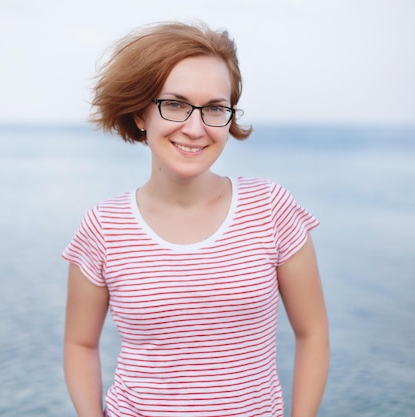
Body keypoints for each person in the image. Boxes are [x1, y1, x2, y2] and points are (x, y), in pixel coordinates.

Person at [62, 21, 329, 417]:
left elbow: (313, 333)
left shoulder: (270, 208)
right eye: (174, 104)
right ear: (140, 114)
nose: (194, 128)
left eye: (215, 108)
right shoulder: (103, 227)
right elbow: (80, 344)